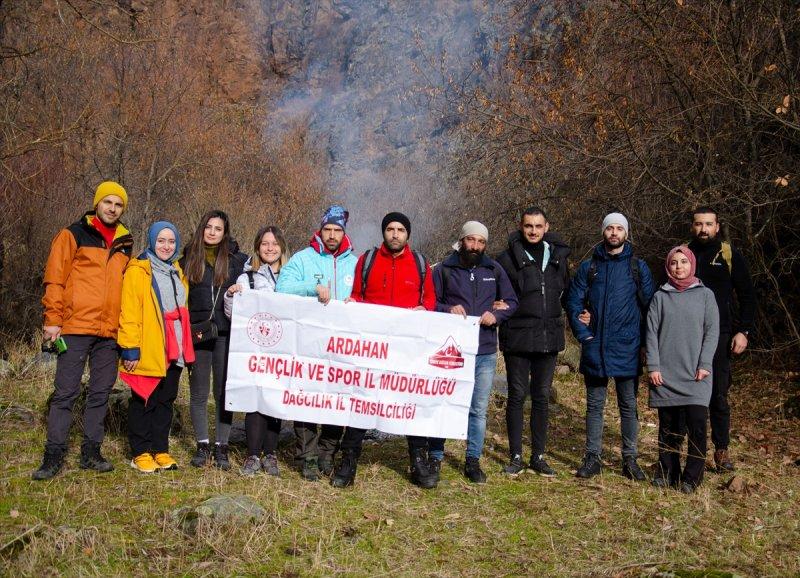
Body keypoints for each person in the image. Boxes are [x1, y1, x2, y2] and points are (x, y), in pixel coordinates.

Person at [33, 181, 134, 480]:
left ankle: (91, 453)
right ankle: (53, 456)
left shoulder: (125, 241)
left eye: (118, 205)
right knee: (65, 393)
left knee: (100, 393)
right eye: (108, 202)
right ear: (97, 203)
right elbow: (55, 279)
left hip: (109, 332)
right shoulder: (72, 234)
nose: (112, 209)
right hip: (75, 326)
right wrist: (52, 319)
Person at [331, 212, 436, 488]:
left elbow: (430, 300)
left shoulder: (420, 264)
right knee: (363, 401)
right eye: (390, 229)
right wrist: (352, 304)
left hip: (407, 349)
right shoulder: (367, 260)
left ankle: (418, 461)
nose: (395, 234)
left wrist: (425, 309)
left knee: (410, 401)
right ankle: (348, 461)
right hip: (372, 348)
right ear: (384, 232)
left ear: (407, 234)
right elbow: (357, 295)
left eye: (401, 229)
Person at [566, 212, 654, 480]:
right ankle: (592, 458)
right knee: (594, 406)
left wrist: (645, 345)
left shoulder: (638, 268)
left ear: (626, 233)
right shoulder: (589, 267)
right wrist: (584, 335)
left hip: (628, 347)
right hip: (595, 346)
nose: (614, 233)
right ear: (603, 232)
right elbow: (573, 302)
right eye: (609, 228)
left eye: (619, 228)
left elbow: (650, 308)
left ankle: (630, 459)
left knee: (628, 405)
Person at [431, 221, 518, 483]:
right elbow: (430, 302)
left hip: (485, 350)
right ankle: (435, 457)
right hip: (451, 351)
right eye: (471, 240)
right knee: (444, 403)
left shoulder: (494, 269)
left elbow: (512, 301)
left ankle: (472, 460)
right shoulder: (444, 269)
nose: (475, 246)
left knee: (478, 408)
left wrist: (497, 315)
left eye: (481, 242)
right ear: (462, 241)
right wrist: (447, 309)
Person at [275, 205, 357, 481]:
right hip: (309, 342)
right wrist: (312, 288)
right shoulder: (303, 258)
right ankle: (307, 455)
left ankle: (327, 451)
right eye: (327, 229)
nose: (332, 235)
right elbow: (282, 288)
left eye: (337, 230)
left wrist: (356, 300)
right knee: (307, 397)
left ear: (344, 232)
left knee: (338, 397)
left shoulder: (355, 263)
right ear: (320, 231)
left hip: (343, 345)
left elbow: (366, 295)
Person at [495, 207, 571, 477]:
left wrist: (583, 313)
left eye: (539, 226)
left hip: (549, 337)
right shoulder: (506, 259)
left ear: (547, 227)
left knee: (541, 397)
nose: (534, 231)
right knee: (517, 395)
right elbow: (495, 291)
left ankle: (538, 456)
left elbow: (568, 291)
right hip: (517, 336)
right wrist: (495, 304)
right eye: (529, 226)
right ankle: (515, 456)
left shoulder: (559, 257)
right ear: (521, 226)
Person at [118, 221, 195, 472]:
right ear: (152, 241)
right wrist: (130, 347)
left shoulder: (177, 271)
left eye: (171, 242)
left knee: (166, 400)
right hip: (150, 345)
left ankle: (160, 449)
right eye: (161, 241)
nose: (166, 246)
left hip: (175, 346)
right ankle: (140, 452)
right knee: (145, 399)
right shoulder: (138, 270)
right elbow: (129, 311)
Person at [687, 207, 756, 472]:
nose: (703, 229)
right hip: (688, 336)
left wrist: (743, 331)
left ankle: (721, 450)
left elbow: (747, 295)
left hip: (721, 335)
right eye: (698, 224)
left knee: (718, 394)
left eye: (708, 224)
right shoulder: (684, 254)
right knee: (690, 394)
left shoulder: (729, 254)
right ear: (692, 226)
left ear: (717, 226)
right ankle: (693, 450)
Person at [646, 245, 719, 494]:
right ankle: (667, 472)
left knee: (697, 426)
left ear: (692, 264)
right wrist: (653, 366)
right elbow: (651, 334)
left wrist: (705, 364)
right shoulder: (660, 296)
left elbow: (712, 332)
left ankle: (692, 478)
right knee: (669, 427)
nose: (679, 267)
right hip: (665, 374)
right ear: (668, 267)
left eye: (684, 262)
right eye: (674, 263)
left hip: (697, 374)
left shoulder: (706, 295)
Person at [180, 210, 247, 470]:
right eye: (208, 227)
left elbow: (257, 280)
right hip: (197, 332)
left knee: (223, 392)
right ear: (202, 228)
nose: (212, 232)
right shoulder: (188, 258)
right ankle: (202, 445)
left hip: (226, 332)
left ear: (225, 232)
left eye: (218, 229)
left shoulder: (237, 260)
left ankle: (222, 447)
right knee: (198, 392)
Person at [224, 226, 290, 476]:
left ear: (282, 247)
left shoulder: (291, 278)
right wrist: (231, 297)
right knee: (254, 399)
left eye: (274, 244)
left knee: (274, 399)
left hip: (282, 351)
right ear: (257, 247)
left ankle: (270, 454)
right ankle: (252, 455)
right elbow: (233, 316)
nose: (270, 248)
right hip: (255, 349)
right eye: (265, 244)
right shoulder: (246, 278)